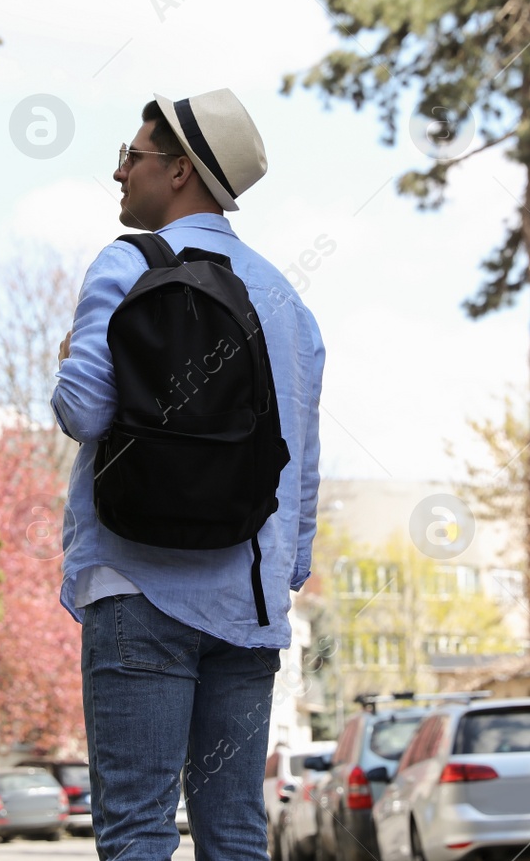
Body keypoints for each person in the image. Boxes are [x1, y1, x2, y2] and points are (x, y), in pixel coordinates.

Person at [52, 89, 325, 861]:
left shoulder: (127, 262)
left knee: (138, 827)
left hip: (138, 588)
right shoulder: (286, 299)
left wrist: (69, 357)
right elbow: (301, 465)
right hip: (249, 599)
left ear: (177, 170)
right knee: (235, 829)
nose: (117, 172)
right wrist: (285, 571)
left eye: (130, 157)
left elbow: (83, 413)